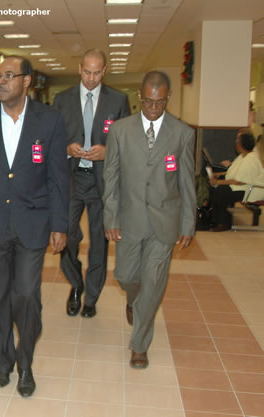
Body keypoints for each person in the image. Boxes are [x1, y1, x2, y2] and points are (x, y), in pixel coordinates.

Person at [0, 56, 69, 397]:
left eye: (9, 75)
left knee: (25, 295)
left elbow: (58, 177)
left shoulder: (49, 120)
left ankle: (26, 363)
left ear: (27, 81)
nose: (0, 81)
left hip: (33, 222)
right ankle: (3, 361)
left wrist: (60, 224)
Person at [103, 71, 196, 369]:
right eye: (147, 101)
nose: (153, 107)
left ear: (167, 98)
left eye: (159, 101)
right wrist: (111, 216)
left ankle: (139, 345)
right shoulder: (120, 130)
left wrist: (187, 223)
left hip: (164, 222)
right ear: (139, 98)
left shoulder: (182, 133)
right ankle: (134, 300)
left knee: (154, 282)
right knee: (126, 276)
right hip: (129, 219)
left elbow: (186, 183)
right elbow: (111, 177)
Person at [53, 49, 130, 318]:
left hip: (102, 184)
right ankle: (76, 284)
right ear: (79, 68)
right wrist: (66, 147)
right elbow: (52, 139)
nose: (91, 78)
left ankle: (91, 299)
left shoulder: (118, 100)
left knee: (100, 243)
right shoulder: (62, 99)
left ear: (105, 71)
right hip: (72, 179)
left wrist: (109, 151)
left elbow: (127, 143)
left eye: (97, 73)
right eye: (87, 72)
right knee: (66, 236)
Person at [209, 131, 263, 231]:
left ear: (242, 145)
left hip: (250, 190)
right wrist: (218, 175)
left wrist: (217, 182)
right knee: (217, 188)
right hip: (242, 186)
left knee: (221, 191)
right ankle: (214, 219)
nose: (236, 144)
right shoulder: (244, 155)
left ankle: (224, 223)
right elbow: (235, 172)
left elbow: (240, 181)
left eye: (237, 142)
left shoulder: (250, 159)